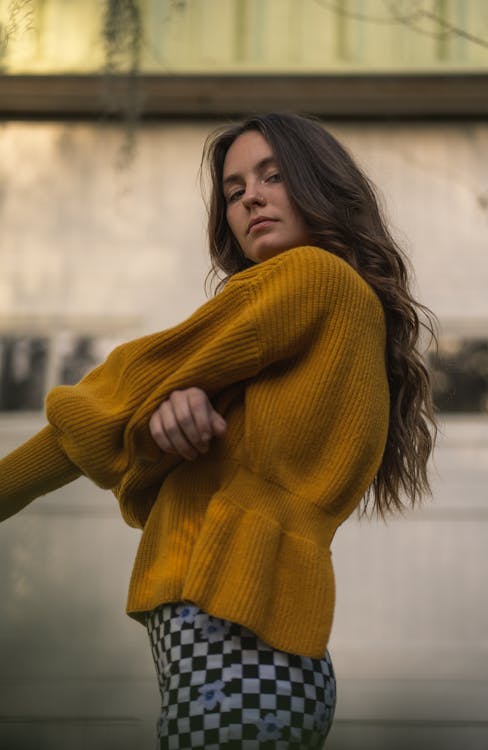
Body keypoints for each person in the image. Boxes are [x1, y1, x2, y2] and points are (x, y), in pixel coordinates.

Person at [0, 113, 436, 749]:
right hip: (268, 651)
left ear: (321, 185)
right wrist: (167, 417)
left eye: (273, 176)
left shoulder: (308, 276)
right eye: (234, 191)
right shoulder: (340, 308)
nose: (251, 196)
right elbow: (173, 424)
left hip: (233, 641)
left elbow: (121, 390)